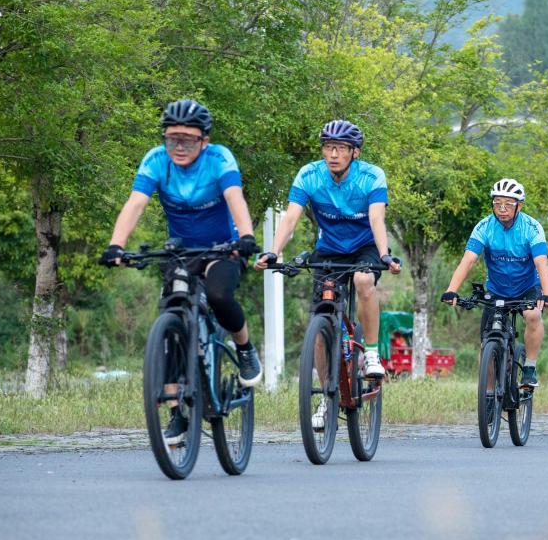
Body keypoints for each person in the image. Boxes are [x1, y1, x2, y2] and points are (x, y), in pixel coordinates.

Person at [102, 99, 262, 444]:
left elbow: (235, 198)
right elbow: (136, 203)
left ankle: (245, 349)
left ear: (204, 140)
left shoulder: (219, 158)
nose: (178, 147)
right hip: (183, 251)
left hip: (223, 247)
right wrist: (116, 244)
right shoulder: (156, 160)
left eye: (187, 140)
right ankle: (177, 410)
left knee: (219, 295)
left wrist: (246, 236)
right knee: (172, 313)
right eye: (172, 138)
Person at [255, 120, 401, 428]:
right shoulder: (309, 175)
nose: (332, 154)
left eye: (340, 149)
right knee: (321, 323)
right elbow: (291, 217)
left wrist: (384, 254)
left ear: (354, 152)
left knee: (363, 280)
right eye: (327, 147)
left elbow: (376, 218)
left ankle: (372, 353)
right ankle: (327, 396)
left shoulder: (371, 176)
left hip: (365, 248)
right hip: (330, 250)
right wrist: (273, 251)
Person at [441, 178, 548, 388]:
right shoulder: (484, 226)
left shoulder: (532, 227)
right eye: (497, 203)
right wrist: (451, 290)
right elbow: (468, 260)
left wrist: (547, 294)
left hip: (527, 287)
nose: (502, 209)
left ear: (519, 205)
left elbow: (541, 263)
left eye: (508, 204)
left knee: (533, 315)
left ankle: (529, 366)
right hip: (497, 289)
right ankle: (489, 395)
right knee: (486, 345)